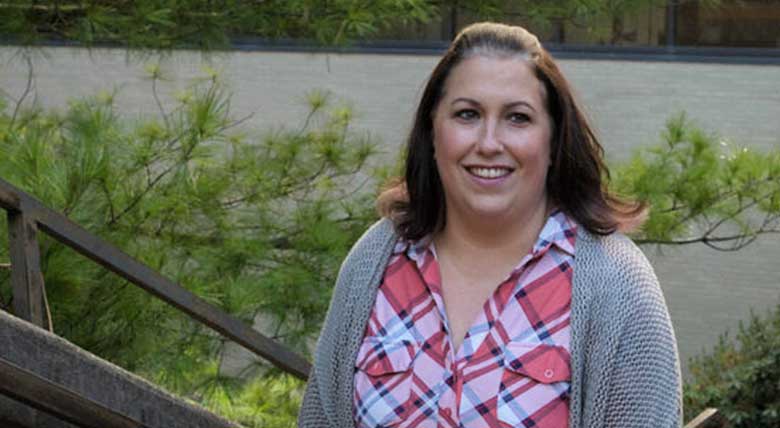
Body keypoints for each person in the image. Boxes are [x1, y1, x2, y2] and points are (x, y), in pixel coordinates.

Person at [298, 22, 682, 428]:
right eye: (467, 114)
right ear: (432, 131)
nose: (489, 142)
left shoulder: (617, 285)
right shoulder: (372, 263)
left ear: (553, 140)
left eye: (517, 118)